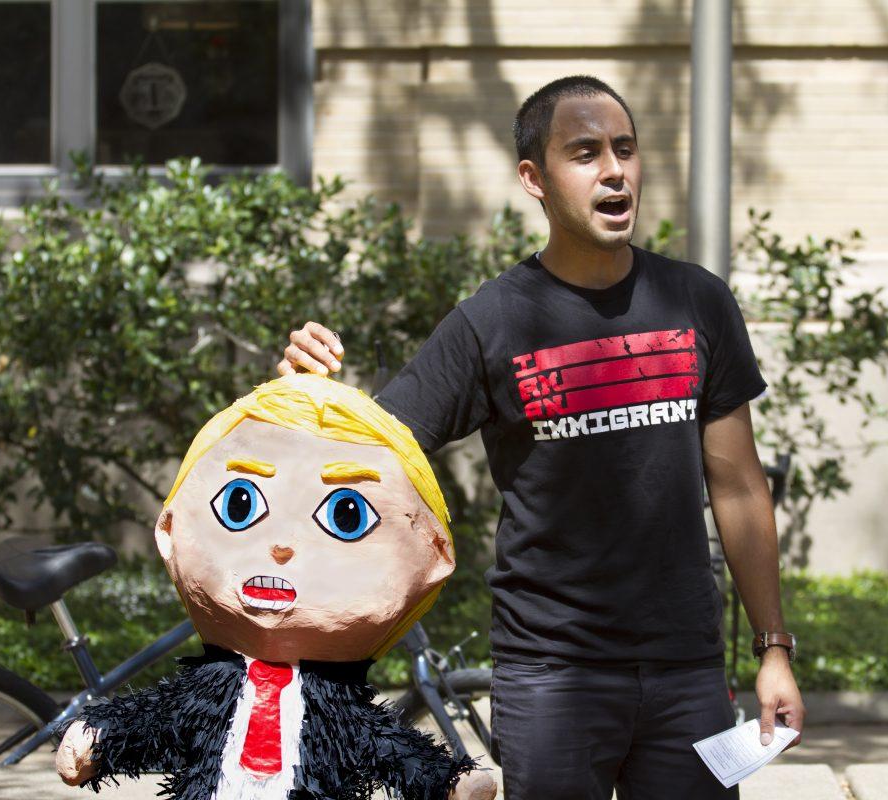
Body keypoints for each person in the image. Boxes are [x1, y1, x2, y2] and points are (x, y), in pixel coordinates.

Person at [277, 75, 805, 800]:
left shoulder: (697, 301)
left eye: (625, 149)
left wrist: (773, 649)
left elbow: (740, 486)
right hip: (553, 676)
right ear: (535, 178)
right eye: (585, 153)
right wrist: (300, 393)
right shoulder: (491, 322)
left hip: (686, 667)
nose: (614, 170)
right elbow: (369, 452)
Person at [56, 374, 497, 800]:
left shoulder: (337, 708)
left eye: (346, 515)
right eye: (240, 504)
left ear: (435, 555)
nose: (283, 545)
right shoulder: (211, 690)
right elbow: (162, 718)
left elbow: (384, 746)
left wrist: (443, 782)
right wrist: (102, 738)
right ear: (169, 529)